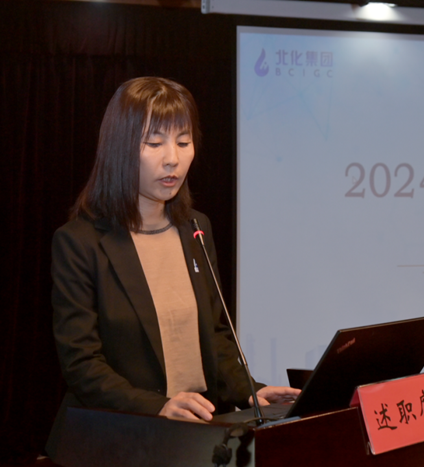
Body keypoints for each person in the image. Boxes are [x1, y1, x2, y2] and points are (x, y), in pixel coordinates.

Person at [46, 77, 299, 457]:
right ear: (119, 147)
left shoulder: (196, 228)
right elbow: (82, 364)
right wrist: (158, 407)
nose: (173, 159)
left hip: (195, 436)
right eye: (154, 143)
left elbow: (214, 336)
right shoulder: (79, 242)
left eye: (183, 142)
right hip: (120, 441)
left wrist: (250, 391)